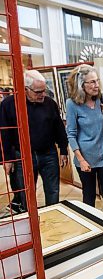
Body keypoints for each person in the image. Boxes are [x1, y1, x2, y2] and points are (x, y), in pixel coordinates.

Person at [0, 70, 68, 217]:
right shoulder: (9, 105)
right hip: (22, 155)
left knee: (53, 190)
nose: (43, 94)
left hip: (48, 153)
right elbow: (4, 134)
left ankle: (53, 218)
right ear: (26, 89)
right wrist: (8, 158)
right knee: (25, 191)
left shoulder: (50, 103)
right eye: (38, 92)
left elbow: (59, 128)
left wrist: (63, 149)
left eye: (44, 90)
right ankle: (29, 220)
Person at [65, 64, 103, 217]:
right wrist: (81, 160)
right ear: (82, 85)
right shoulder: (72, 104)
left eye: (97, 81)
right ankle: (92, 226)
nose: (96, 85)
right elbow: (71, 134)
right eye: (92, 82)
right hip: (85, 159)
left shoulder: (102, 98)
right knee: (89, 197)